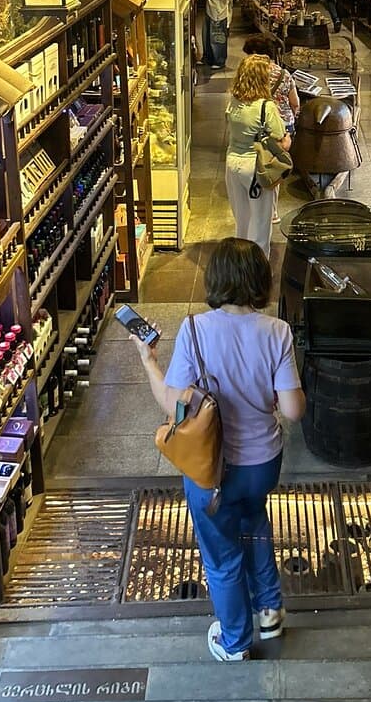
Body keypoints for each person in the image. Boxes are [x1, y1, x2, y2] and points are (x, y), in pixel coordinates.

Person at [130, 238, 305, 661]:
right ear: (260, 281)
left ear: (215, 280)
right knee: (254, 522)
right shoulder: (277, 331)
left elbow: (172, 403)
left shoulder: (194, 330)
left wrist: (149, 361)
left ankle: (235, 642)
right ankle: (269, 610)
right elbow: (293, 410)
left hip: (213, 469)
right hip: (263, 464)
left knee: (223, 555)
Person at [225, 54, 291, 257]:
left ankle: (241, 261)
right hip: (256, 168)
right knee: (261, 223)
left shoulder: (233, 101)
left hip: (232, 164)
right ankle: (258, 265)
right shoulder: (265, 107)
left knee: (242, 220)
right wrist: (286, 141)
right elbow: (280, 137)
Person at [243, 35, 301, 225]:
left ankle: (254, 204)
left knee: (257, 164)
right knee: (275, 168)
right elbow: (295, 103)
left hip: (258, 126)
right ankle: (273, 211)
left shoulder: (250, 74)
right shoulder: (284, 75)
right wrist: (292, 117)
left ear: (255, 54)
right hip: (282, 129)